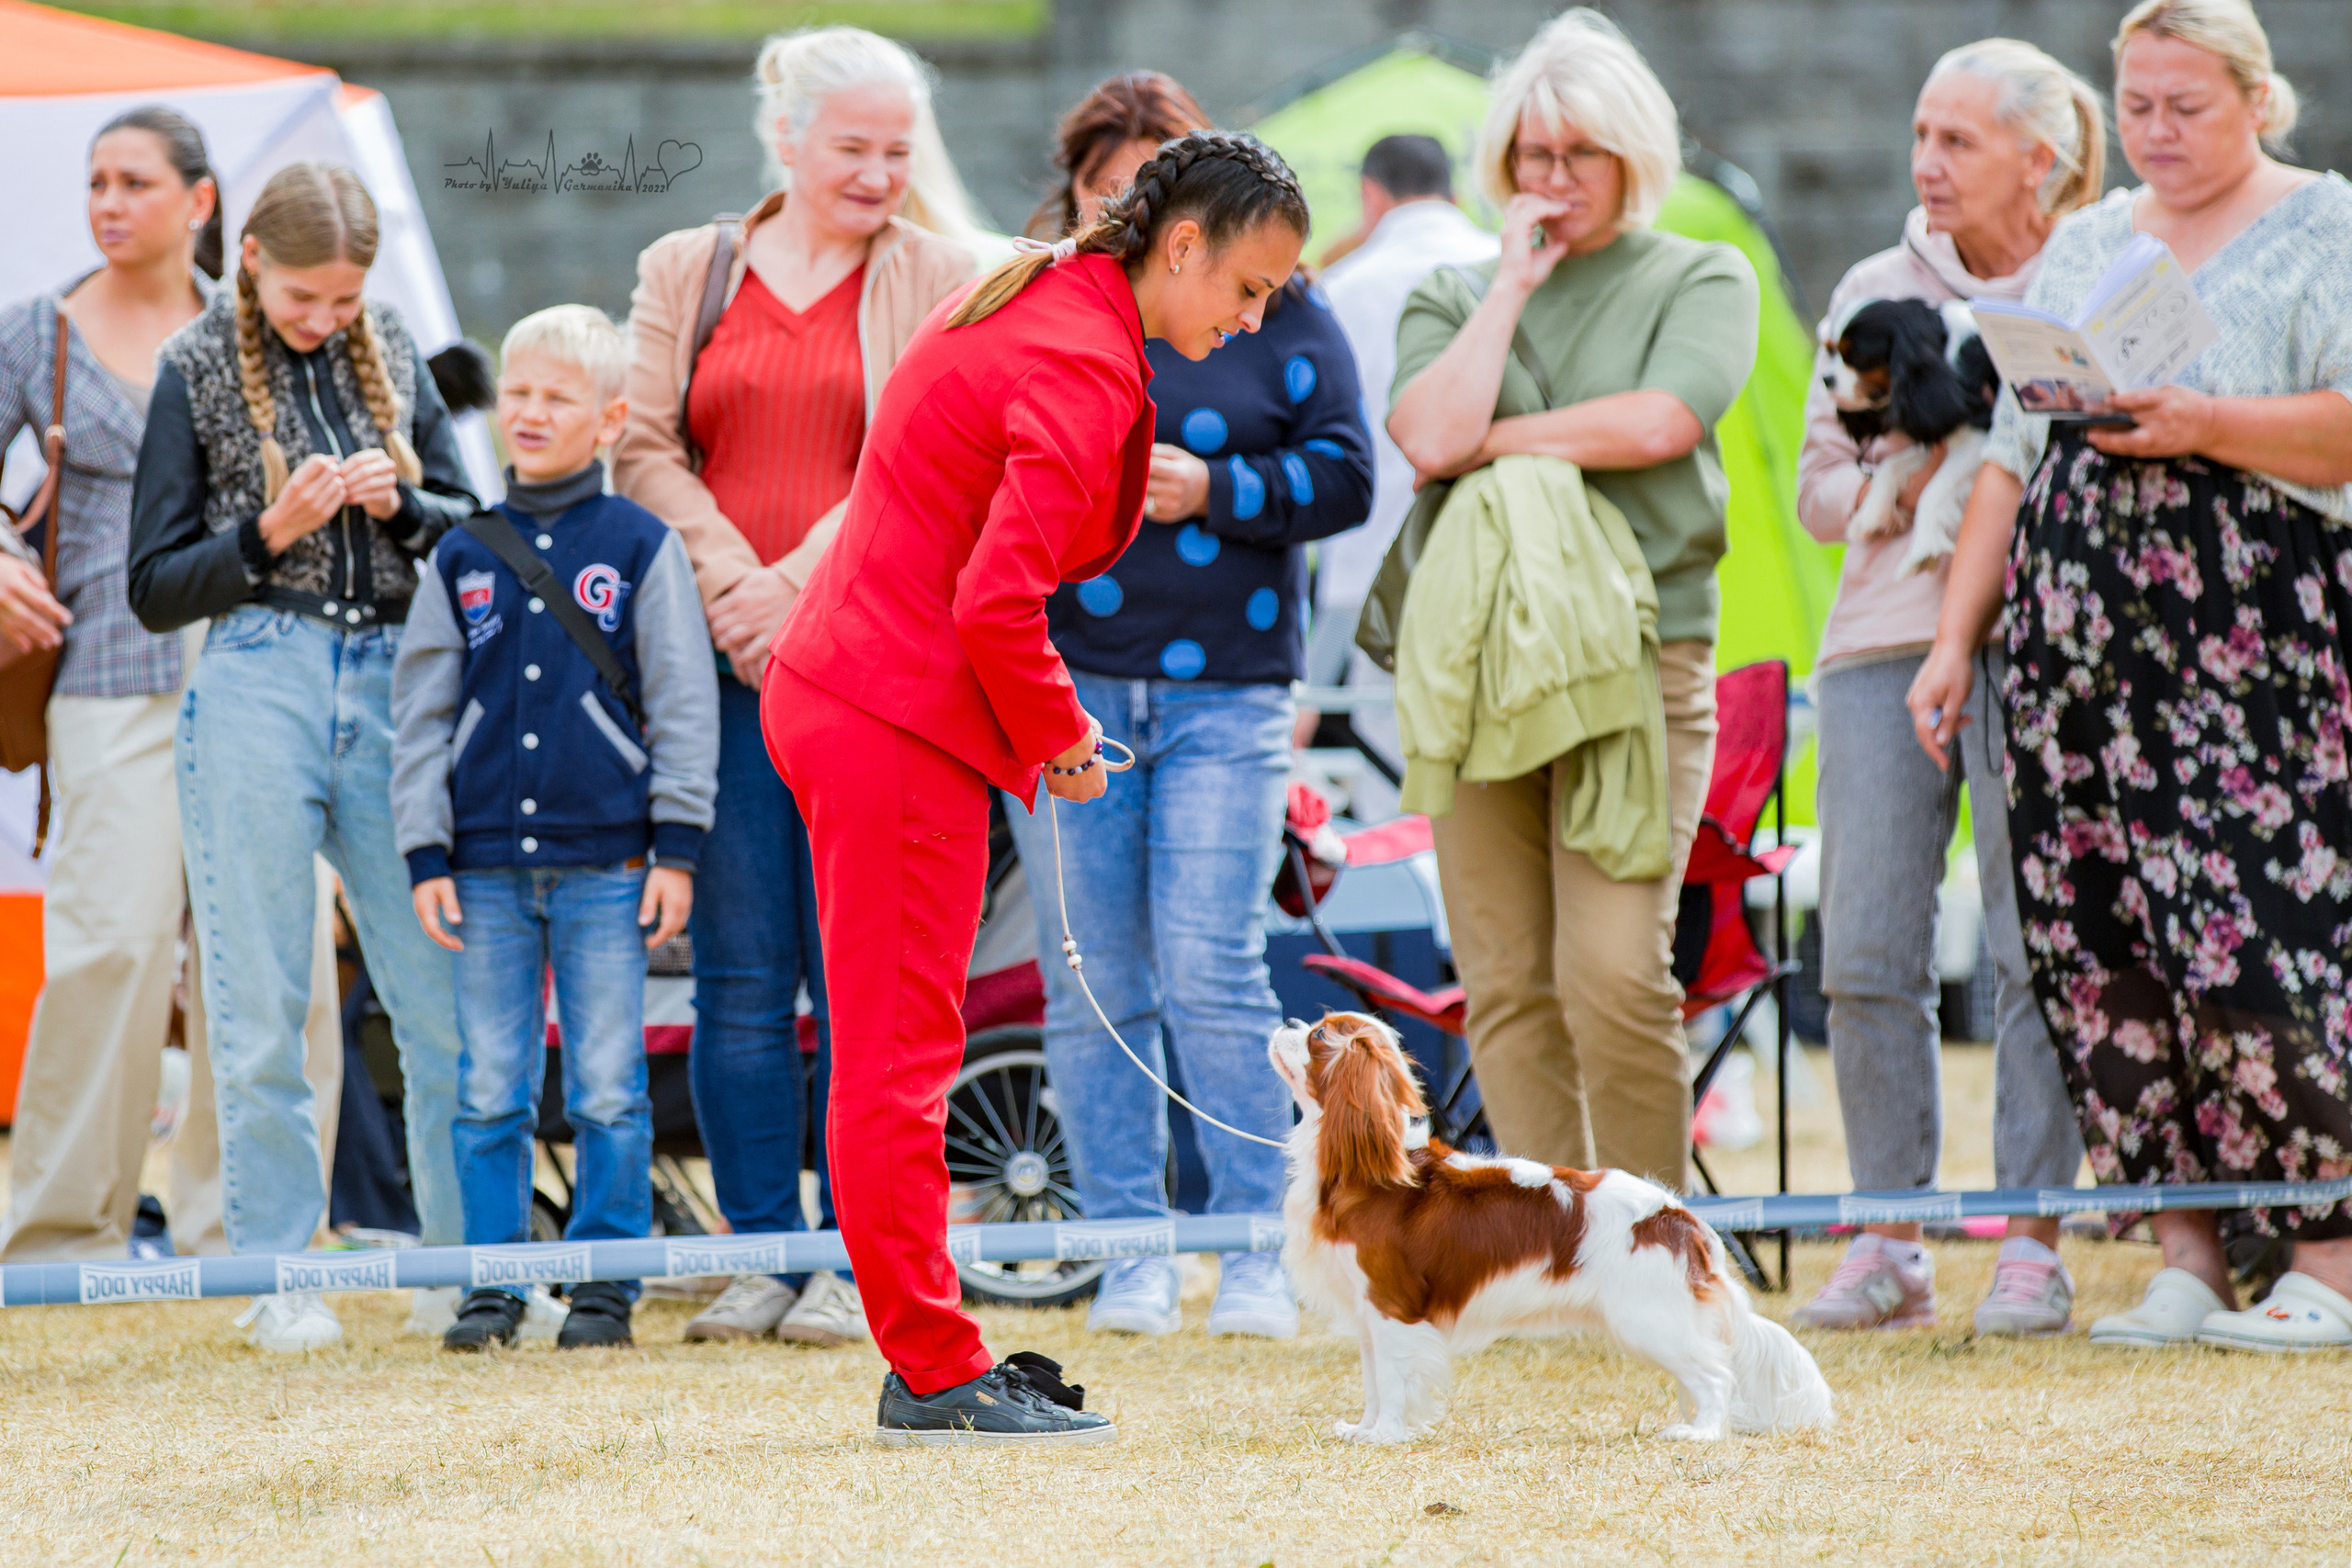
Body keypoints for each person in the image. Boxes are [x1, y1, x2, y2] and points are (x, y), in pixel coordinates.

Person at [766, 130, 1310, 1445]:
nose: (1252, 320)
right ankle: (933, 1371)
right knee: (899, 1064)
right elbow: (996, 601)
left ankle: (933, 1354)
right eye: (1248, 289)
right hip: (890, 713)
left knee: (900, 1054)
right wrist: (1062, 736)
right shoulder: (1078, 353)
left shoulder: (1049, 290)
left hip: (863, 693)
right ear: (1183, 243)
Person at [1909, 0, 2352, 1351]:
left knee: (2262, 925)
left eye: (2187, 106)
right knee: (2103, 935)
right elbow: (2008, 455)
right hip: (2077, 647)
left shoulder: (2328, 224)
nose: (2157, 131)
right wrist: (1954, 638)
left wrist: (2206, 420)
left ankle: (2330, 1254)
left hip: (2250, 637)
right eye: (2140, 105)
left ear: (2258, 102)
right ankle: (2183, 1247)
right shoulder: (2091, 238)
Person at [613, 25, 978, 1348]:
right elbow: (642, 445)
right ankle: (763, 1247)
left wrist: (792, 590)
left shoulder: (941, 274)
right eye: (853, 147)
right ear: (786, 135)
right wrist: (736, 588)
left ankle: (856, 1260)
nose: (880, 173)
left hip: (866, 669)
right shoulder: (686, 266)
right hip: (719, 667)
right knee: (739, 972)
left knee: (862, 986)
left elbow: (921, 457)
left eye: (898, 149)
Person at [995, 73, 1371, 1342]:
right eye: (1111, 184)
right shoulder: (1052, 300)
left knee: (1212, 968)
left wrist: (1216, 487)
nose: (1139, 208)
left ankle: (1258, 1249)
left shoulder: (1284, 301)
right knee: (1092, 979)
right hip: (1072, 682)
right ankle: (1128, 1254)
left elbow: (1350, 475)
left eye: (1155, 181)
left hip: (1231, 688)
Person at [1384, 9, 1758, 1188]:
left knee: (1613, 973)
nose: (1553, 178)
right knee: (1502, 979)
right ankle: (1546, 1246)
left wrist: (1486, 441)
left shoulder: (1701, 273)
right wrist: (1508, 287)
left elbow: (1659, 423)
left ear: (1632, 153)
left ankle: (1649, 1237)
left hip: (1638, 661)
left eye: (1580, 152)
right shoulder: (1451, 291)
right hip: (1474, 663)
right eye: (1532, 154)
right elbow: (1424, 436)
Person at [127, 161, 478, 1352]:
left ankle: (460, 1274)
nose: (325, 320)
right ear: (253, 261)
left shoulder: (393, 345)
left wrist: (404, 509)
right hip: (256, 674)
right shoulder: (192, 366)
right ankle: (280, 1275)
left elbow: (474, 527)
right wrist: (268, 531)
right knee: (261, 999)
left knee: (438, 1002)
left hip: (394, 681)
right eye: (303, 299)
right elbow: (152, 586)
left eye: (345, 300)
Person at [1788, 40, 2102, 1338]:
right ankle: (1887, 1237)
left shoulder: (2099, 273)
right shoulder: (1873, 290)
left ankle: (2032, 1239)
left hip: (2053, 649)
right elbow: (1815, 495)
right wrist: (1912, 474)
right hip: (1877, 646)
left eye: (1957, 139)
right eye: (1921, 132)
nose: (1926, 161)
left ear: (2041, 159)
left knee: (2037, 948)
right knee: (1865, 949)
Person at [0, 108, 341, 1268]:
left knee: (277, 955)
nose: (108, 202)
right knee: (112, 947)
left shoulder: (264, 325)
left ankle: (250, 1233)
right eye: (96, 181)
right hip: (108, 670)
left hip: (265, 663)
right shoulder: (36, 334)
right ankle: (60, 1238)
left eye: (134, 182)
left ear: (199, 200)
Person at [393, 304, 718, 1353]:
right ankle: (493, 1284)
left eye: (557, 398)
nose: (529, 413)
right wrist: (424, 850)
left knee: (609, 1085)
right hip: (482, 870)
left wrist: (677, 848)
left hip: (610, 865)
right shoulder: (462, 553)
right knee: (490, 1084)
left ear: (611, 419)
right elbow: (421, 713)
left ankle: (606, 1286)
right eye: (518, 393)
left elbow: (683, 704)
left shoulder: (641, 546)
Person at [1311, 131, 1498, 760]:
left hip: (1371, 565)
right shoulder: (1507, 268)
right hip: (1498, 555)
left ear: (1371, 195)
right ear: (1455, 191)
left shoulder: (1342, 286)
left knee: (1389, 766)